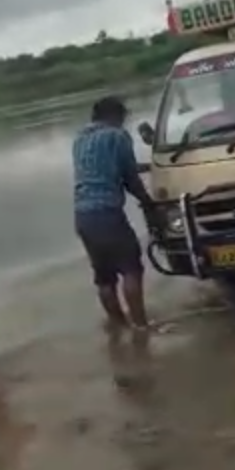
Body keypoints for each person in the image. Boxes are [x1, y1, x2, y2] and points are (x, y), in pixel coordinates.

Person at [72, 96, 159, 331]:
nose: (124, 122)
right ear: (114, 116)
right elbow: (130, 178)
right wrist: (149, 202)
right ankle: (141, 325)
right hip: (107, 213)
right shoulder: (117, 136)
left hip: (82, 215)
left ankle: (119, 325)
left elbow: (102, 170)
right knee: (132, 268)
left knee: (104, 276)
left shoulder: (80, 139)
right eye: (122, 117)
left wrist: (147, 166)